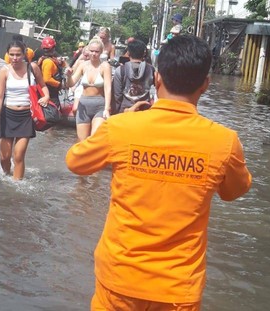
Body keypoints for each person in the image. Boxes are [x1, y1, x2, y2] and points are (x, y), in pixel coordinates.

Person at [65, 35, 252, 311]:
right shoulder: (224, 142)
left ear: (158, 78)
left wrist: (124, 118)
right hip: (178, 288)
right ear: (206, 85)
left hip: (120, 279)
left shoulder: (122, 128)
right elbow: (234, 191)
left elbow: (75, 161)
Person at [0, 41, 49, 180]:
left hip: (26, 117)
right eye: (11, 55)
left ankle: (17, 186)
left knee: (18, 156)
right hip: (7, 115)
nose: (15, 58)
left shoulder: (32, 67)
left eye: (18, 54)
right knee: (4, 157)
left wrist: (46, 96)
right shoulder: (4, 70)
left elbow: (43, 86)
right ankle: (6, 176)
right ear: (7, 55)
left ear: (24, 54)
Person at [65, 38, 112, 142]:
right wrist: (68, 76)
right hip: (83, 106)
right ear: (88, 50)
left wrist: (107, 109)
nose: (94, 54)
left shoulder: (105, 66)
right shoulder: (83, 65)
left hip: (99, 106)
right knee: (82, 142)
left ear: (101, 52)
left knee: (95, 140)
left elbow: (108, 88)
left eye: (97, 51)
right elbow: (71, 83)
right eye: (91, 51)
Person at [113, 39, 154, 113]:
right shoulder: (151, 69)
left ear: (128, 53)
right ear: (144, 53)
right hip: (145, 110)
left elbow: (117, 95)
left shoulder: (121, 70)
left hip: (125, 110)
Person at [37, 37, 65, 106]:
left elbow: (63, 65)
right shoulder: (48, 62)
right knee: (53, 112)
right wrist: (59, 84)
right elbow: (47, 79)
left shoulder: (44, 59)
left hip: (45, 92)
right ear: (53, 48)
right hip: (50, 94)